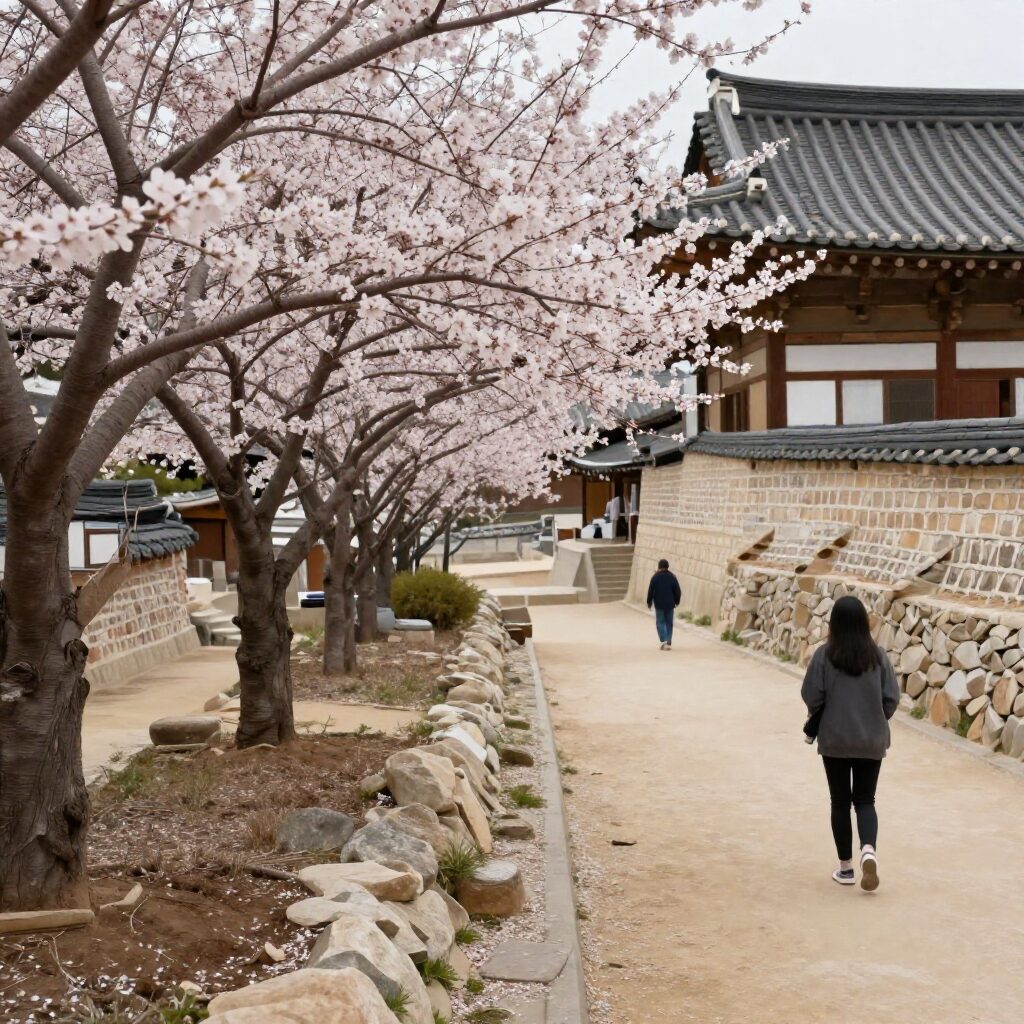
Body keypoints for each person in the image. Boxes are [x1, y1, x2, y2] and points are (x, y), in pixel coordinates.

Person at [800, 595, 899, 891]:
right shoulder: (878, 656)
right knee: (866, 801)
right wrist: (875, 717)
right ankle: (868, 850)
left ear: (834, 623)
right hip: (871, 740)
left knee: (840, 802)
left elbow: (811, 694)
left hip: (836, 740)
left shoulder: (824, 655)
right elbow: (891, 698)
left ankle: (846, 869)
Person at [646, 559, 681, 650]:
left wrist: (649, 602)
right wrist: (677, 601)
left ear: (659, 566)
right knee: (669, 622)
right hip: (670, 604)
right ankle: (668, 641)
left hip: (659, 603)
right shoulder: (672, 577)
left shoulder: (655, 577)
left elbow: (650, 591)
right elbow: (678, 591)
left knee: (660, 622)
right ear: (667, 566)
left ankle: (664, 641)